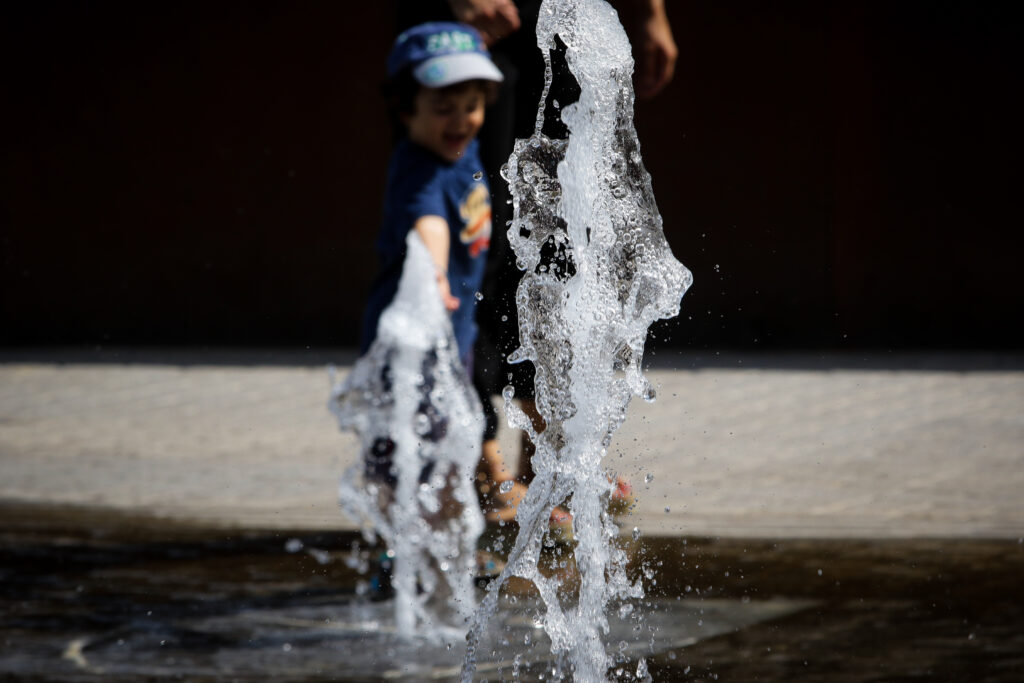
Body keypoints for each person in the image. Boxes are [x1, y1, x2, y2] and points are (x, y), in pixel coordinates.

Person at [396, 1, 679, 534]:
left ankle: (545, 465)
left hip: (563, 24)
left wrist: (649, 9)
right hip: (472, 33)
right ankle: (484, 474)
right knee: (472, 249)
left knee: (560, 244)